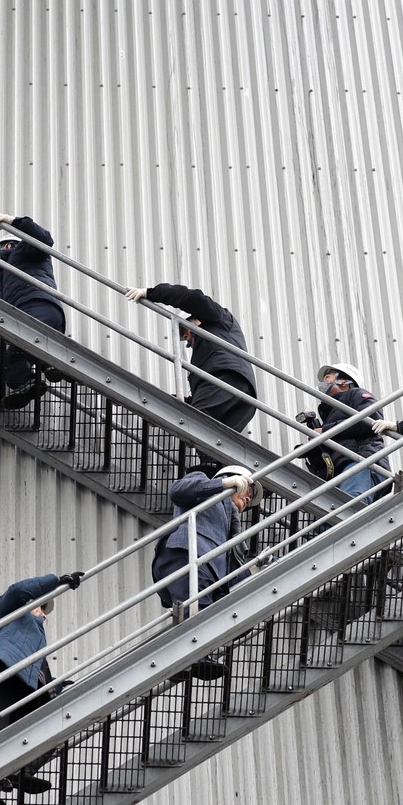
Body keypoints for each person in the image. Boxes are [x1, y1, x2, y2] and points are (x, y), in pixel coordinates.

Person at [0, 572, 82, 796]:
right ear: (31, 600)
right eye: (41, 607)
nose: (44, 614)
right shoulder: (6, 609)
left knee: (49, 725)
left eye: (45, 610)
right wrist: (55, 582)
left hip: (21, 687)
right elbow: (17, 591)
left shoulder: (38, 639)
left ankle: (23, 771)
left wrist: (60, 686)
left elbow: (40, 673)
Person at [153, 466, 263, 681]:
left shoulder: (229, 525)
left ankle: (177, 661)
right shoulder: (205, 485)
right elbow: (178, 491)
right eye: (247, 492)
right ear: (233, 478)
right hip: (188, 552)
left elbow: (235, 560)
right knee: (197, 606)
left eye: (250, 498)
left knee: (205, 609)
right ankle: (193, 656)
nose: (248, 499)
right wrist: (222, 485)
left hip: (209, 566)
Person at [125, 281, 257, 457]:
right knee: (211, 445)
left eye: (187, 334)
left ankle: (205, 477)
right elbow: (200, 399)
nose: (188, 341)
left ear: (197, 320)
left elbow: (192, 298)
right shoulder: (208, 354)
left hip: (225, 379)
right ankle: (217, 479)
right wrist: (173, 403)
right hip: (242, 396)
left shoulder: (219, 319)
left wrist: (151, 293)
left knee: (196, 424)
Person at [0, 210, 66, 408]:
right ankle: (49, 364)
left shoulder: (22, 252)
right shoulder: (9, 272)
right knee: (24, 351)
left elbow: (44, 240)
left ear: (7, 246)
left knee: (14, 358)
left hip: (36, 309)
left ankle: (32, 380)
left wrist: (14, 222)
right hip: (49, 313)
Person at [301, 362, 388, 505]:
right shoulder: (331, 411)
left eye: (328, 377)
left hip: (361, 463)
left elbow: (371, 421)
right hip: (343, 471)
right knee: (329, 520)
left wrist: (325, 431)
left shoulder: (357, 394)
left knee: (351, 508)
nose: (323, 383)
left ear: (344, 382)